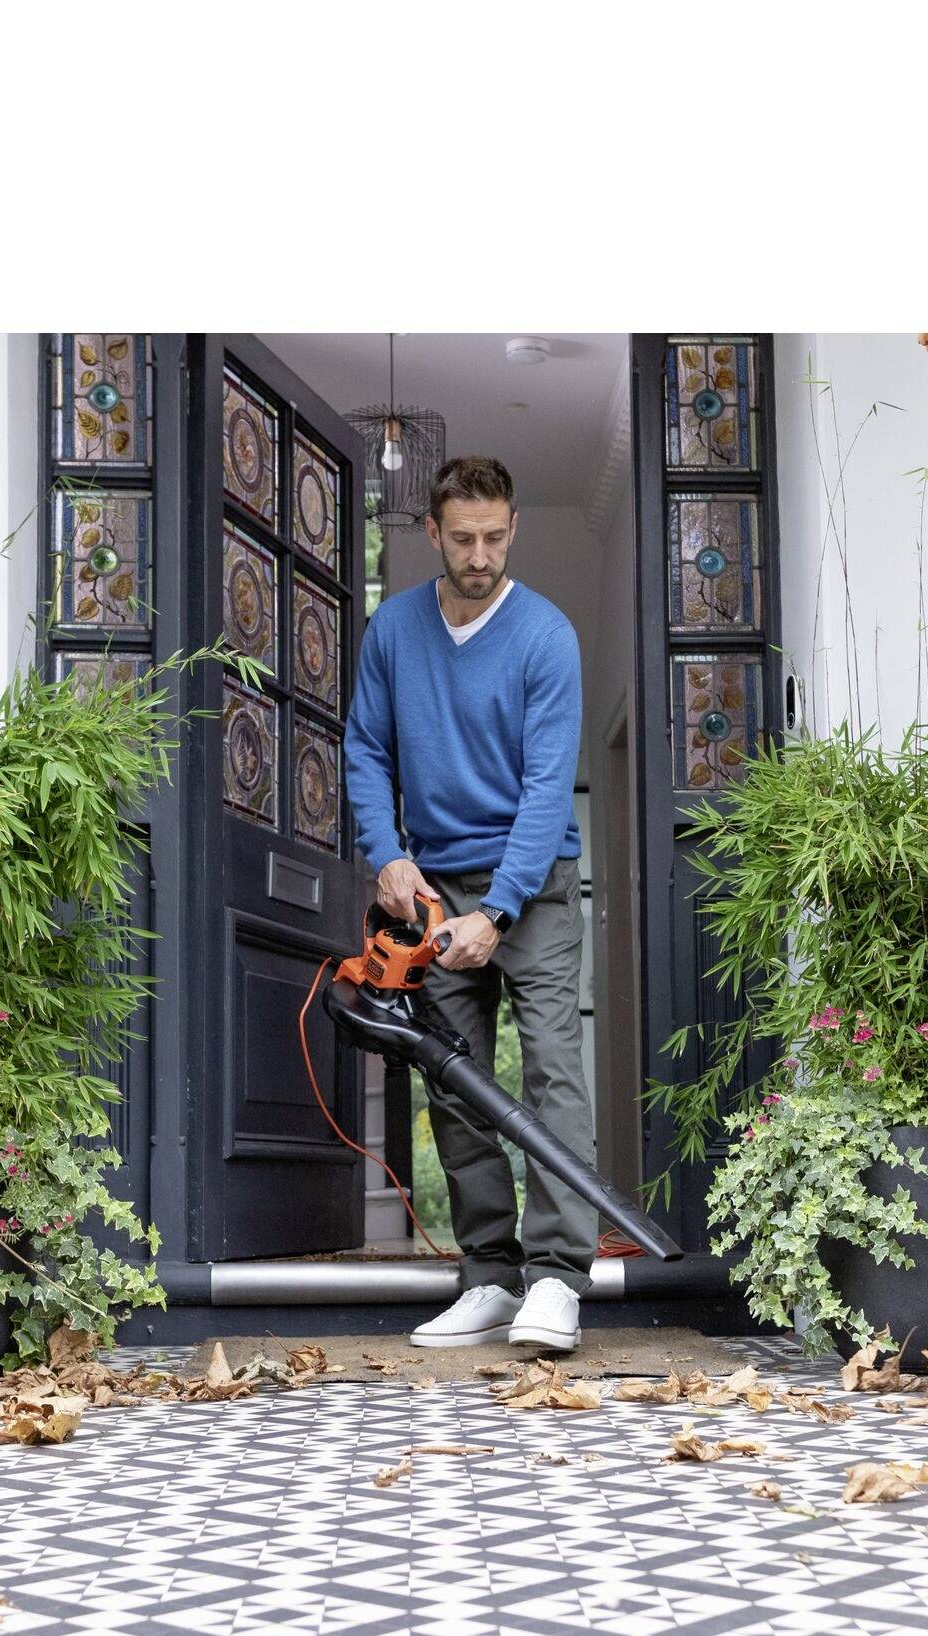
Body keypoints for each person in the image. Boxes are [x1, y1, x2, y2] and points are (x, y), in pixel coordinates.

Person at [343, 455, 595, 1354]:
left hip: (535, 885)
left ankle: (559, 1278)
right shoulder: (395, 630)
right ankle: (489, 1275)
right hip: (435, 886)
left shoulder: (545, 636)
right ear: (432, 534)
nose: (480, 554)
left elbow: (544, 788)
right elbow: (366, 748)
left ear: (513, 526)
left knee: (554, 1072)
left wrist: (501, 910)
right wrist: (390, 855)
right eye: (462, 539)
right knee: (455, 1082)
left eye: (494, 536)